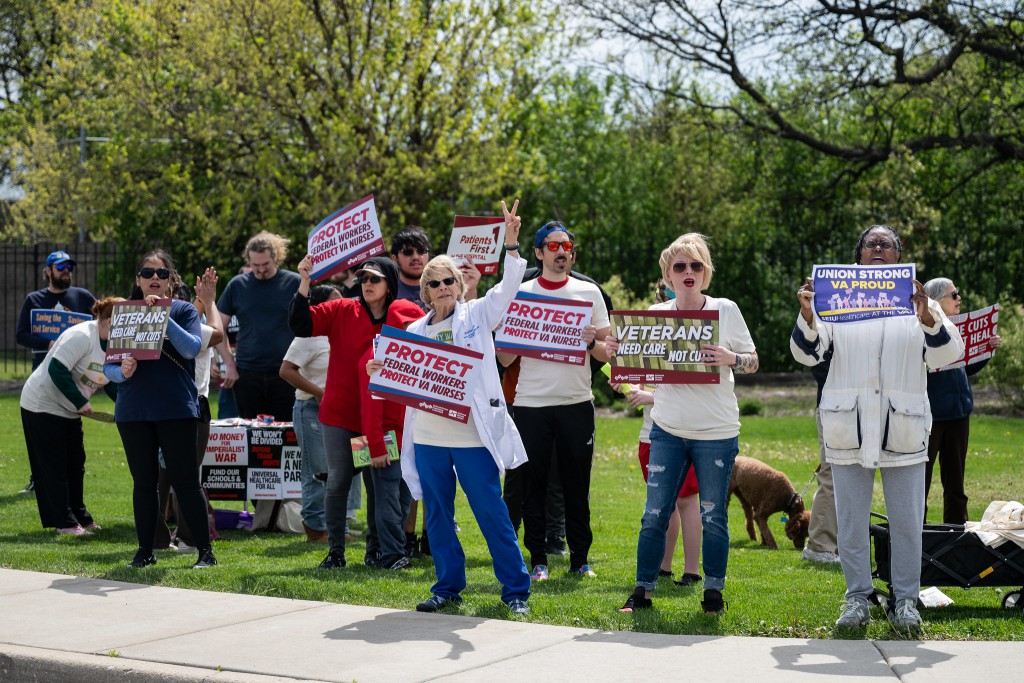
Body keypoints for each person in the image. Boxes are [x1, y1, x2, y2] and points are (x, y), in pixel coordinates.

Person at [791, 225, 963, 631]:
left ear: (899, 255)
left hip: (902, 427)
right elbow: (807, 353)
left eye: (887, 243)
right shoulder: (836, 297)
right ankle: (857, 599)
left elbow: (949, 353)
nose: (879, 248)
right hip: (848, 425)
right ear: (859, 254)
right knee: (851, 521)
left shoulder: (917, 300)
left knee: (907, 522)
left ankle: (906, 601)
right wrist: (809, 314)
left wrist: (926, 317)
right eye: (871, 243)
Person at [376, 199, 530, 614]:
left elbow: (508, 288)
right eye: (435, 283)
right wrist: (380, 368)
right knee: (438, 516)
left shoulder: (478, 315)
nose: (443, 287)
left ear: (459, 286)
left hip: (471, 435)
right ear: (425, 291)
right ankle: (447, 587)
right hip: (428, 437)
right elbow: (395, 378)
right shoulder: (413, 329)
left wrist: (510, 243)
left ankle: (516, 591)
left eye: (449, 281)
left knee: (491, 512)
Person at [612, 233, 758, 615]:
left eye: (696, 264)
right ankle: (642, 592)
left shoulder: (726, 309)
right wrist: (619, 358)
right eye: (680, 266)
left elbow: (753, 360)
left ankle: (713, 594)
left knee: (713, 515)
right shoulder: (654, 315)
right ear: (668, 275)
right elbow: (638, 370)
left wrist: (730, 358)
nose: (688, 271)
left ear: (706, 272)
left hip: (717, 433)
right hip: (667, 431)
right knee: (654, 514)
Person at [289, 254, 424, 570]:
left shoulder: (403, 313)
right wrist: (305, 282)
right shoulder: (341, 309)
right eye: (363, 278)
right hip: (342, 415)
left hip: (378, 417)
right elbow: (300, 324)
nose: (367, 283)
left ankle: (376, 551)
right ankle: (336, 551)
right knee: (339, 481)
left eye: (375, 279)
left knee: (379, 485)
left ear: (390, 284)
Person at [496, 220, 611, 581]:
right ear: (538, 252)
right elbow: (504, 359)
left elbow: (608, 352)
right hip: (531, 404)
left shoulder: (589, 292)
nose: (562, 251)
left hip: (577, 402)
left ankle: (580, 560)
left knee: (577, 485)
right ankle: (539, 560)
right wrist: (512, 337)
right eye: (554, 245)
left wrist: (591, 343)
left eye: (568, 246)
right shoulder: (521, 292)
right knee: (533, 486)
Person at [104, 249, 218, 570]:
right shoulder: (126, 313)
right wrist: (122, 371)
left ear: (170, 281)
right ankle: (145, 551)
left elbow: (192, 348)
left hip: (175, 409)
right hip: (134, 411)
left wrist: (162, 318)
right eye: (148, 273)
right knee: (144, 483)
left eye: (162, 273)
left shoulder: (183, 310)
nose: (155, 278)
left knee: (186, 481)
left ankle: (205, 552)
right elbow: (109, 368)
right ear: (138, 280)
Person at [20, 296, 123, 534]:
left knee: (76, 465)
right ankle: (64, 523)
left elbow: (110, 382)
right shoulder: (81, 335)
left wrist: (126, 407)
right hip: (42, 404)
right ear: (109, 321)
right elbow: (57, 369)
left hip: (69, 409)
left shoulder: (114, 345)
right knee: (55, 465)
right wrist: (80, 401)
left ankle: (80, 517)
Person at [16, 250, 98, 494]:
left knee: (68, 431)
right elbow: (21, 335)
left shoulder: (83, 296)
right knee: (43, 430)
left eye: (69, 267)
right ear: (48, 271)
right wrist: (48, 343)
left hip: (73, 374)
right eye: (60, 267)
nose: (66, 271)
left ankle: (68, 480)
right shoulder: (34, 300)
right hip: (43, 373)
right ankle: (38, 479)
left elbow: (102, 321)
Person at [922, 277, 1002, 524]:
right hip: (931, 415)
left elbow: (964, 368)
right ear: (937, 301)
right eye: (954, 294)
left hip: (959, 412)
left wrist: (986, 350)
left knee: (956, 481)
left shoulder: (959, 328)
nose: (959, 298)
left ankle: (956, 532)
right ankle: (915, 534)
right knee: (920, 480)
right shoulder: (923, 328)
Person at [280, 284, 343, 543]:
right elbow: (286, 370)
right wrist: (318, 392)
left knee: (341, 470)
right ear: (320, 306)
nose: (342, 303)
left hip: (341, 410)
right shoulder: (308, 336)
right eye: (335, 300)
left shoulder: (340, 332)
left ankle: (337, 526)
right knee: (318, 470)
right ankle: (315, 528)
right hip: (311, 409)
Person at [217, 232, 301, 420]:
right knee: (251, 431)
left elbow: (309, 325)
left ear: (275, 258)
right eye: (255, 265)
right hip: (247, 373)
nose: (261, 270)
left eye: (266, 264)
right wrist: (229, 364)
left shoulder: (294, 282)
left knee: (286, 431)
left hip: (286, 372)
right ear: (248, 261)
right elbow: (218, 328)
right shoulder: (237, 285)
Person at [801, 348, 841, 564]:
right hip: (834, 406)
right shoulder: (825, 326)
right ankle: (819, 546)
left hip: (855, 407)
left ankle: (839, 544)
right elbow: (818, 363)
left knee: (851, 477)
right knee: (831, 475)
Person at [390, 226, 432, 310]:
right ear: (395, 259)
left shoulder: (443, 286)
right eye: (408, 252)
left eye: (421, 251)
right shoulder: (387, 292)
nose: (416, 257)